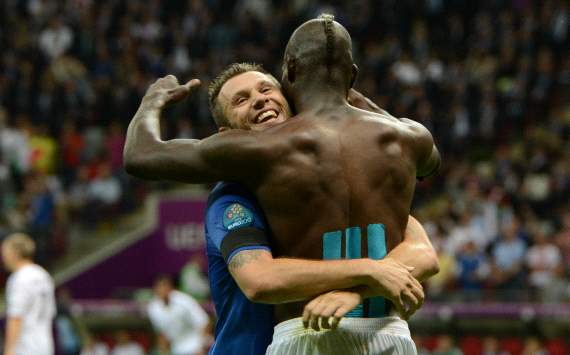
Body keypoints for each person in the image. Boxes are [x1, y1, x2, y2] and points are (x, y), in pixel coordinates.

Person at [125, 15, 440, 354]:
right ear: (226, 137)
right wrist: (368, 272)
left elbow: (424, 255)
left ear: (289, 79)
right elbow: (260, 279)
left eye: (265, 89)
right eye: (241, 100)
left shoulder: (276, 158)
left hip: (309, 336)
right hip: (370, 336)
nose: (259, 100)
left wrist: (153, 103)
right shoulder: (231, 196)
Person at [2, 233, 56, 355]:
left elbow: (16, 317)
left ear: (14, 253)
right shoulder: (43, 275)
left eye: (4, 252)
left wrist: (9, 350)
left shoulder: (19, 278)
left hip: (25, 348)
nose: (3, 257)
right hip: (45, 345)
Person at [147, 274, 209, 355]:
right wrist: (163, 352)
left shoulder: (184, 301)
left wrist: (201, 347)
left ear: (171, 288)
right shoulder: (153, 308)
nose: (162, 289)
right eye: (159, 287)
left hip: (195, 346)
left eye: (164, 286)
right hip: (176, 350)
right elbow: (161, 334)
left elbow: (204, 322)